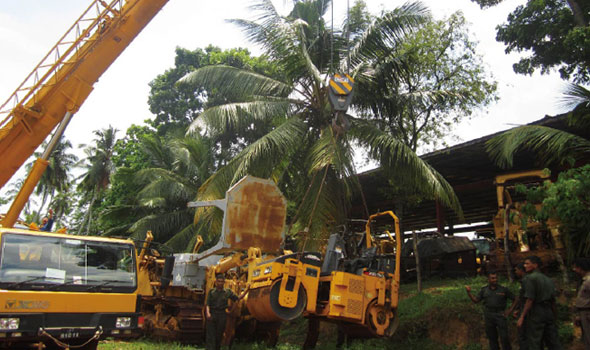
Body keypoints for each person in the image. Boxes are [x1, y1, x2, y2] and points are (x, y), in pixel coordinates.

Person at [517, 255, 562, 350]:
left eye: (527, 263)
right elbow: (553, 300)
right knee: (553, 340)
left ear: (535, 265)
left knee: (535, 341)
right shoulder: (548, 279)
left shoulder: (529, 278)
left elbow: (530, 299)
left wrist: (522, 316)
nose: (525, 266)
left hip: (536, 312)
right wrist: (555, 315)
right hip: (548, 311)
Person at [466, 271, 515, 350]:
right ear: (488, 279)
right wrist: (469, 293)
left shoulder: (503, 289)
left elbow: (515, 299)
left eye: (496, 278)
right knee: (492, 337)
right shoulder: (484, 290)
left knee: (504, 337)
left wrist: (510, 310)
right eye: (492, 278)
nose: (495, 280)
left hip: (500, 314)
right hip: (489, 315)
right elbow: (476, 300)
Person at [206, 274, 249, 350]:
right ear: (216, 282)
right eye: (219, 281)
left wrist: (247, 290)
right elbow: (208, 304)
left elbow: (238, 298)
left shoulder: (227, 292)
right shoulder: (211, 292)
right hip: (212, 314)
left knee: (219, 335)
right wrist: (208, 313)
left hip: (222, 315)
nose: (220, 283)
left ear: (224, 282)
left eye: (222, 282)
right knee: (210, 335)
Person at [505, 263, 528, 350]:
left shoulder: (526, 281)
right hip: (523, 310)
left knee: (523, 335)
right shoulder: (523, 282)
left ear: (521, 270)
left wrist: (521, 315)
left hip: (527, 313)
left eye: (516, 270)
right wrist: (517, 309)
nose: (515, 272)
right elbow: (521, 299)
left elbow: (527, 299)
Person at [572, 257, 590, 349]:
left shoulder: (588, 281)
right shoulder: (583, 281)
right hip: (583, 313)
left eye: (576, 267)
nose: (574, 270)